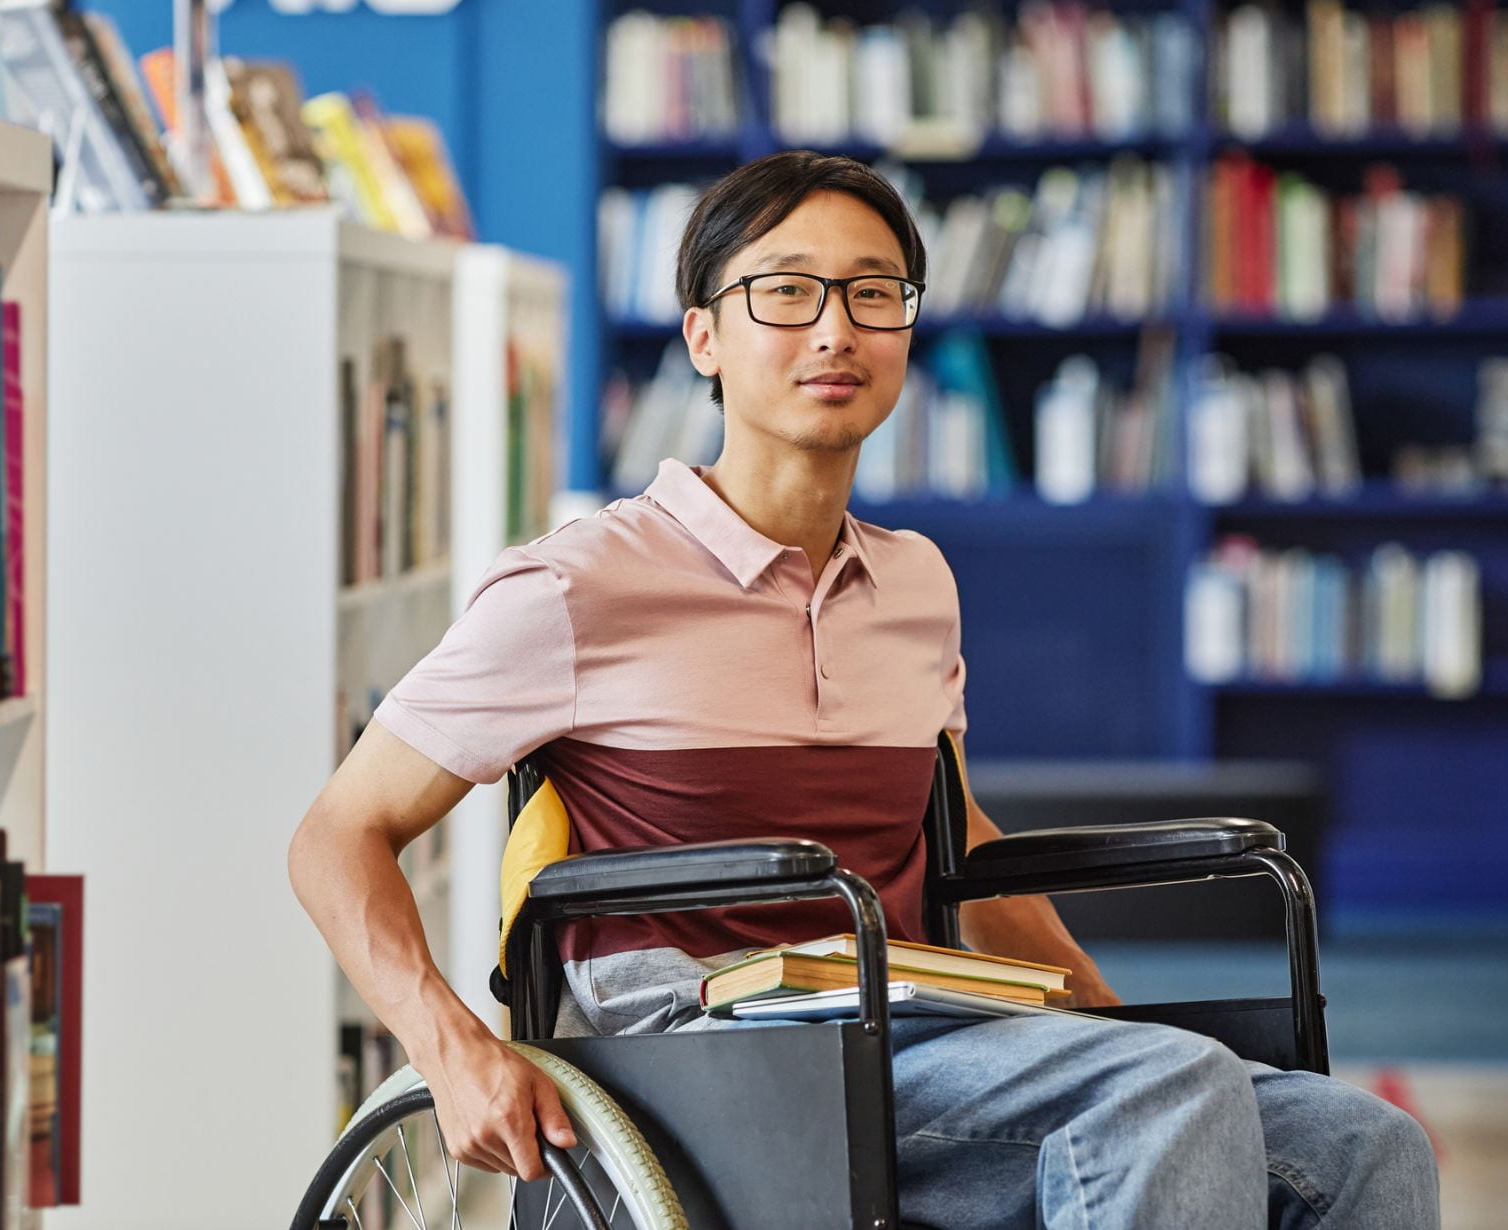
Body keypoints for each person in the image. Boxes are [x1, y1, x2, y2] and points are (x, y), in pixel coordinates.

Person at [289, 151, 1440, 1227]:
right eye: (786, 292)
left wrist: (1105, 1021)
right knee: (1160, 1093)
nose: (835, 329)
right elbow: (338, 836)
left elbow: (956, 839)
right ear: (702, 336)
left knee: (1364, 1144)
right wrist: (448, 1046)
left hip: (910, 1023)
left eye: (874, 293)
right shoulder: (575, 587)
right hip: (703, 1062)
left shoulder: (915, 581)